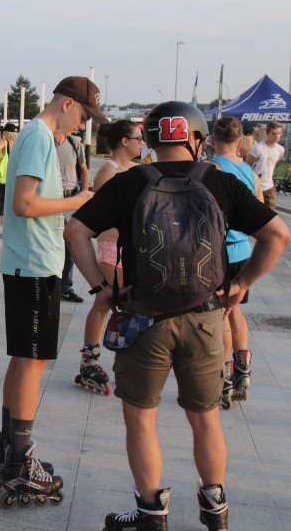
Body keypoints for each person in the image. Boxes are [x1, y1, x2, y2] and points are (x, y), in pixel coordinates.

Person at [65, 102, 289, 531]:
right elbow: (278, 235)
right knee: (205, 418)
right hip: (205, 318)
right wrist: (240, 287)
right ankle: (215, 508)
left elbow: (75, 230)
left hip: (143, 319)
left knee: (141, 417)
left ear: (150, 141)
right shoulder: (219, 182)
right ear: (198, 139)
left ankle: (151, 512)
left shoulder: (130, 182)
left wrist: (101, 287)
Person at [0, 76, 102, 506]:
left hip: (27, 262)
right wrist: (79, 200)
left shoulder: (36, 134)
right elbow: (23, 203)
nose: (83, 126)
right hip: (36, 263)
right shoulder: (39, 136)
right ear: (68, 104)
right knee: (34, 361)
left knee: (24, 359)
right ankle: (21, 461)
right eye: (84, 117)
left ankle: (9, 453)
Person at [75, 120, 141, 396]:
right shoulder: (107, 174)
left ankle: (122, 359)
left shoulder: (136, 170)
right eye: (138, 137)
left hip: (132, 246)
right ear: (124, 142)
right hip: (112, 247)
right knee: (110, 302)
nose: (142, 142)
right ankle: (90, 359)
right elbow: (103, 217)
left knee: (127, 303)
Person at [209, 116, 263, 409]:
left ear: (212, 140)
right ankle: (244, 368)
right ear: (241, 142)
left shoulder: (212, 168)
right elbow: (260, 213)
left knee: (221, 315)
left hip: (220, 252)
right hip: (243, 251)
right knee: (236, 310)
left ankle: (225, 377)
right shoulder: (250, 173)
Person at [55, 129, 90, 303]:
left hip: (71, 198)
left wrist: (84, 193)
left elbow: (84, 169)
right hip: (50, 200)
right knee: (51, 244)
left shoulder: (74, 142)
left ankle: (65, 287)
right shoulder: (44, 141)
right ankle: (49, 285)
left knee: (70, 246)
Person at [246, 121, 284, 210]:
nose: (276, 136)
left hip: (269, 186)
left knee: (271, 213)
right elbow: (247, 164)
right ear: (267, 133)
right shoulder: (257, 148)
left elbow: (275, 163)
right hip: (255, 186)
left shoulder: (280, 149)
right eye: (273, 133)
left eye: (279, 133)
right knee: (256, 212)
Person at [0, 124, 17, 237]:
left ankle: (2, 228)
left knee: (2, 201)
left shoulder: (4, 142)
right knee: (12, 201)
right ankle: (12, 227)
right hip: (15, 175)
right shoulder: (18, 143)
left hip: (4, 176)